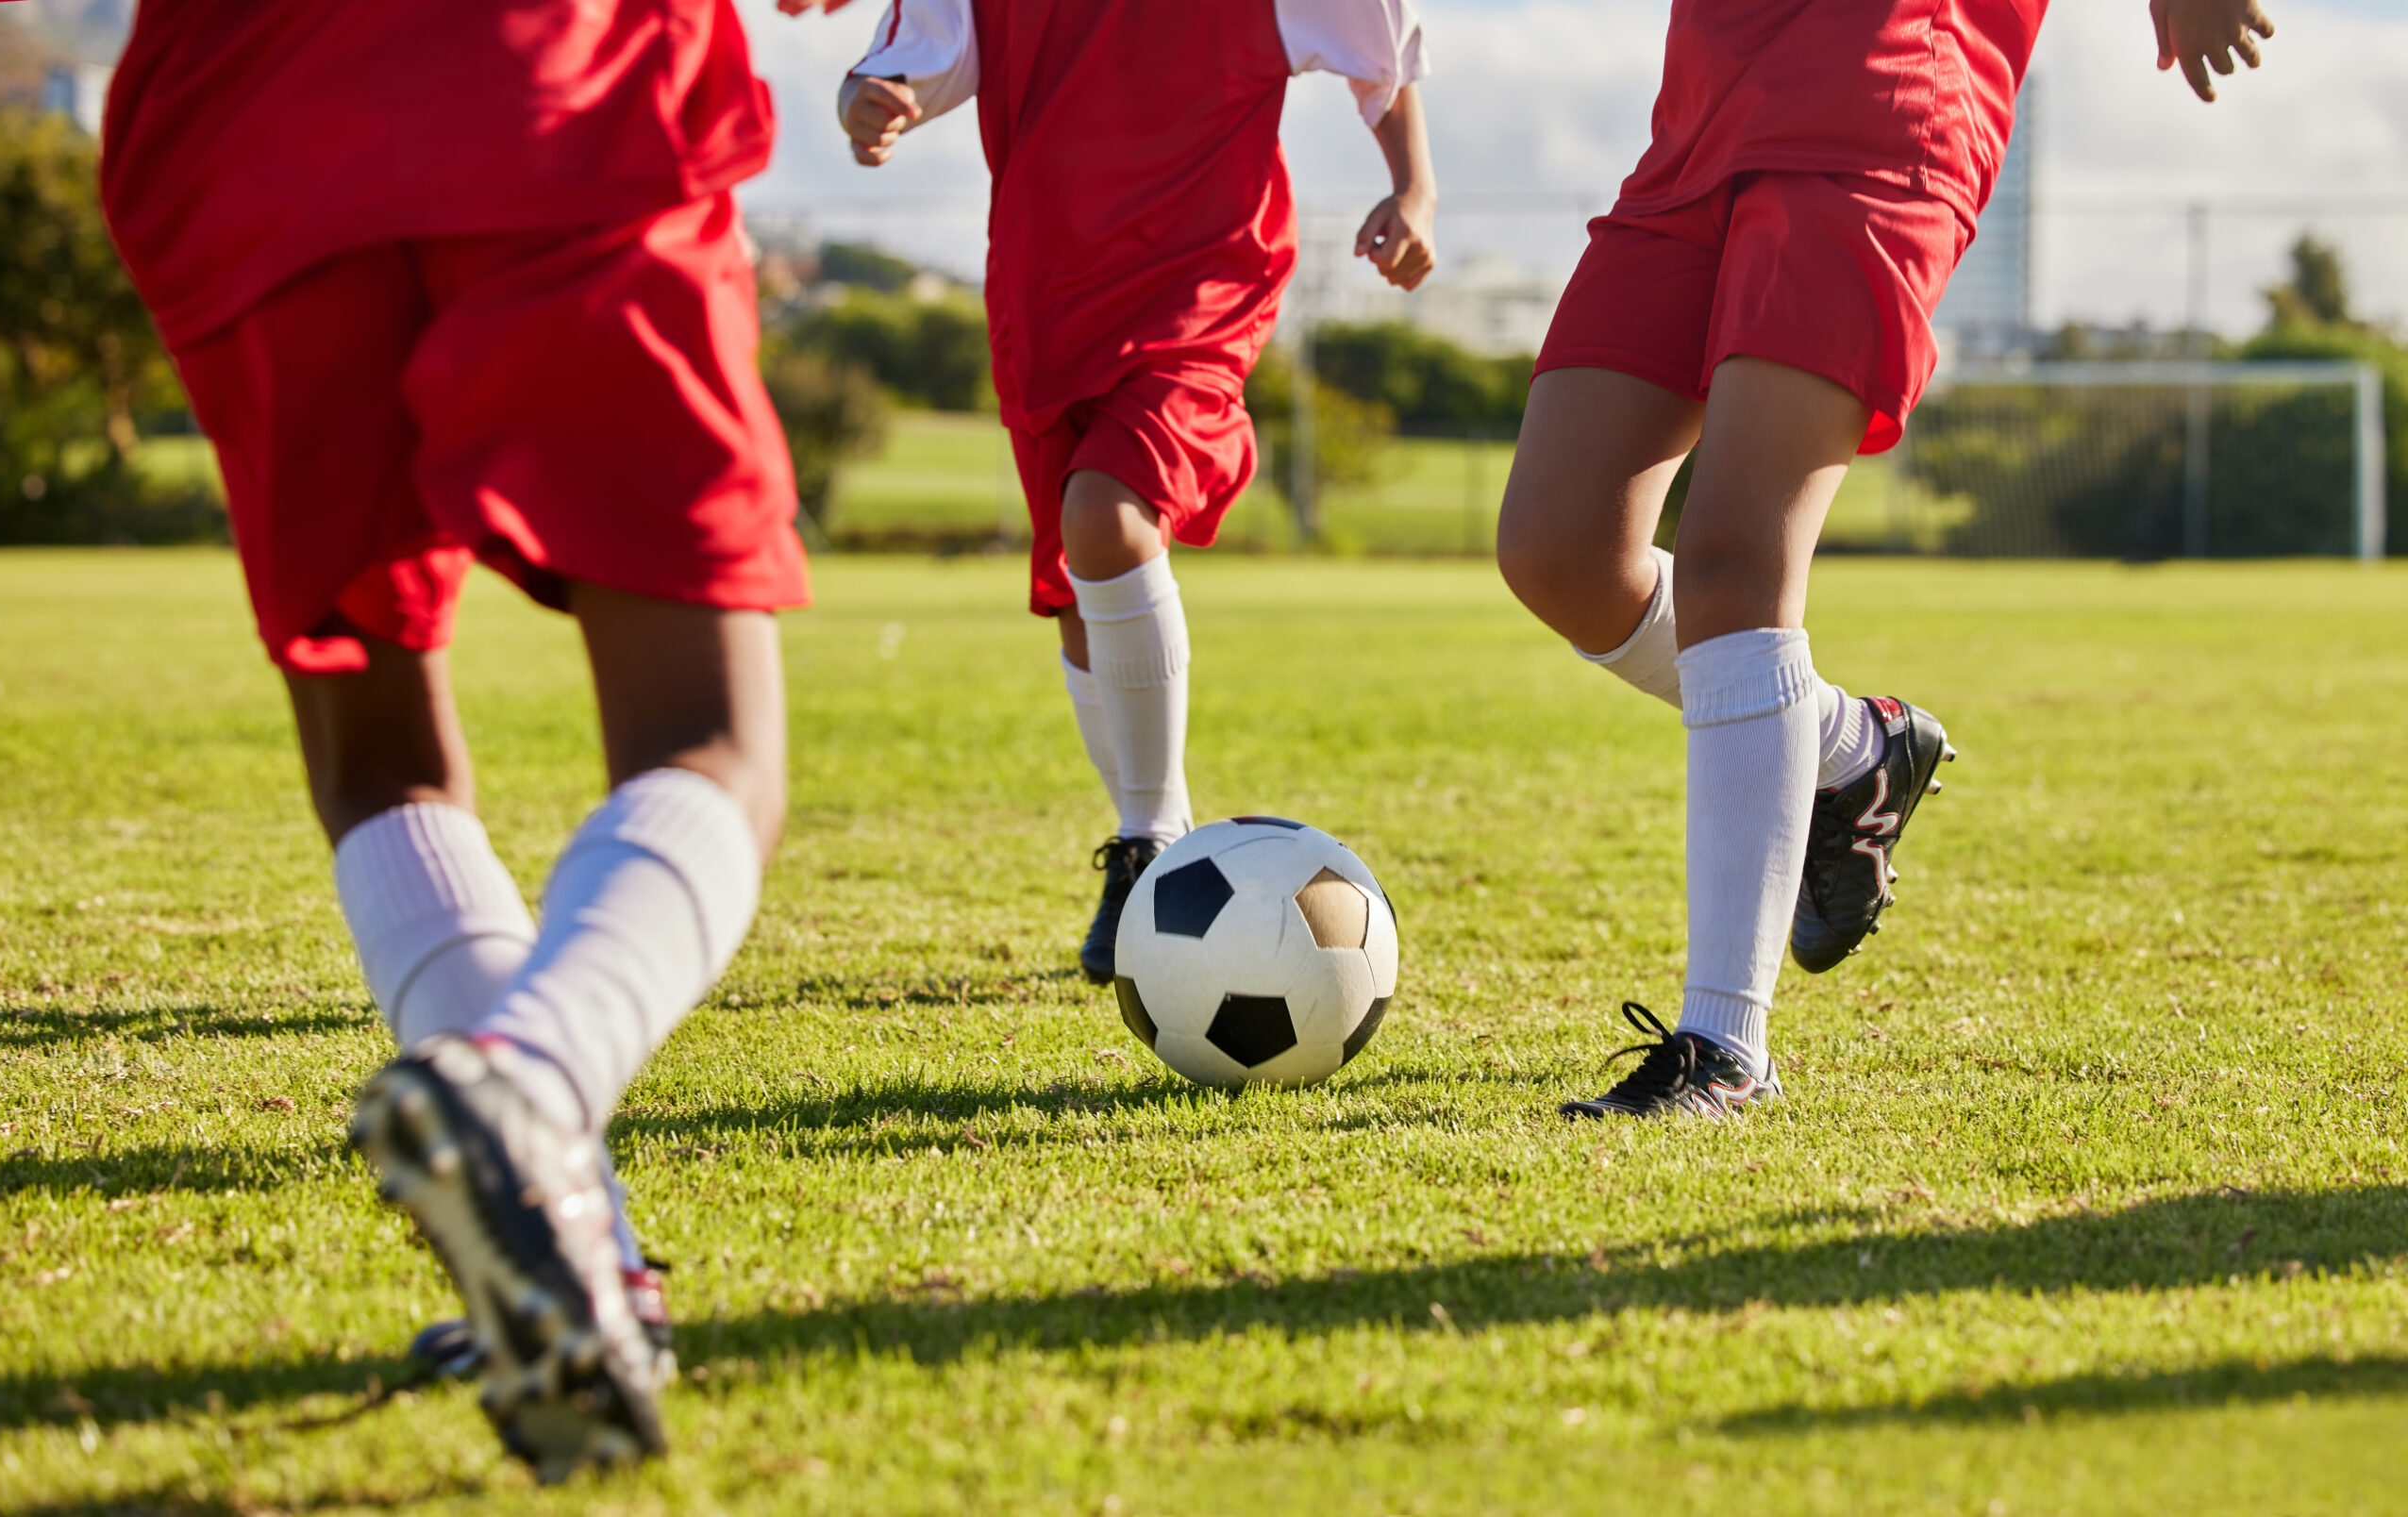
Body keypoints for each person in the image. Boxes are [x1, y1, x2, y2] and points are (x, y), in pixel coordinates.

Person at [99, 0, 850, 1478]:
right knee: (708, 737)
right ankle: (538, 1077)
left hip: (229, 120)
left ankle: (585, 1258)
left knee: (375, 744)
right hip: (546, 76)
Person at [1495, 0, 2275, 1118]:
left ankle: (1725, 1047)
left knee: (1731, 558)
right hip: (1707, 109)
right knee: (1558, 547)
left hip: (1881, 94)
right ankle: (1848, 747)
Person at [837, 0, 1438, 984]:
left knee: (1106, 519)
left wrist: (1413, 188)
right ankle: (1149, 836)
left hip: (1203, 283)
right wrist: (875, 100)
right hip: (1045, 294)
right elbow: (912, 61)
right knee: (1080, 594)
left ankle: (1150, 845)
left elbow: (1382, 52)